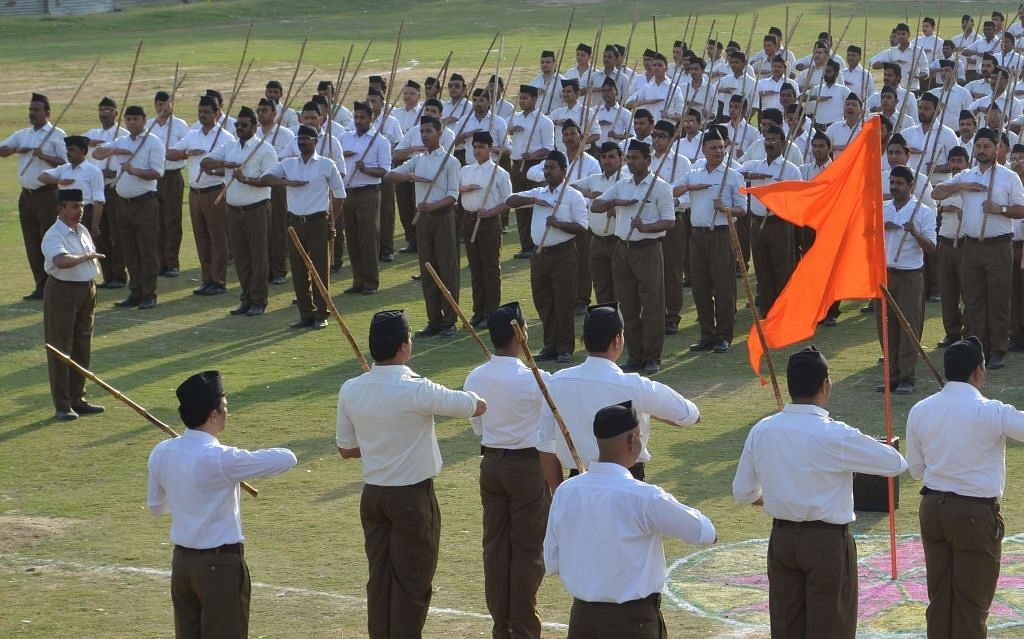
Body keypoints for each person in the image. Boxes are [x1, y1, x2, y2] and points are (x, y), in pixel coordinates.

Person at [733, 346, 909, 639]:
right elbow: (895, 463)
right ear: (825, 385)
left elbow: (743, 492)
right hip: (826, 543)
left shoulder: (763, 429)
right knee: (831, 629)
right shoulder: (835, 433)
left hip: (783, 540)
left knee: (787, 629)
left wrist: (781, 497)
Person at [336, 309, 486, 639]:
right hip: (411, 499)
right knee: (412, 584)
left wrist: (380, 443)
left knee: (380, 579)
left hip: (373, 497)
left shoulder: (351, 389)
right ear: (404, 346)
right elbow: (474, 405)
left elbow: (346, 449)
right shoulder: (417, 388)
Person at [544, 400, 716, 639]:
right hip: (633, 623)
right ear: (633, 441)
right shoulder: (644, 496)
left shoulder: (566, 491)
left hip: (582, 619)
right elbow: (705, 532)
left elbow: (552, 561)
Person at [148, 371, 297, 639]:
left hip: (182, 566)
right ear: (213, 415)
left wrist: (187, 494)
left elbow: (157, 507)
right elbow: (288, 458)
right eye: (225, 408)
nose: (227, 413)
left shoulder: (162, 451)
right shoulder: (221, 458)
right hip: (219, 568)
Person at [907, 336, 1024, 638]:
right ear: (978, 371)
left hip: (932, 510)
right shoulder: (992, 411)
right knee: (971, 607)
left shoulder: (920, 409)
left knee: (941, 603)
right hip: (974, 515)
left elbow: (916, 471)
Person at [537, 303, 700, 487]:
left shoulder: (556, 383)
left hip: (578, 483)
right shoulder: (633, 386)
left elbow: (545, 447)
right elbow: (690, 415)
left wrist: (561, 494)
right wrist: (649, 411)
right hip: (626, 482)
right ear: (617, 340)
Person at [463, 302, 550, 639]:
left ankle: (503, 626)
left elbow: (476, 428)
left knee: (495, 548)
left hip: (492, 465)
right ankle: (524, 628)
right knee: (527, 551)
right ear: (520, 334)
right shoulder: (534, 379)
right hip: (527, 467)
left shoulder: (476, 375)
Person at [932, 127, 1024, 369]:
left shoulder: (1008, 177)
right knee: (973, 298)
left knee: (999, 298)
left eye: (987, 146)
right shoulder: (966, 175)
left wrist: (1000, 210)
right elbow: (936, 193)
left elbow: (1022, 209)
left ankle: (998, 348)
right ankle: (979, 345)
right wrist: (961, 187)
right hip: (971, 245)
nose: (982, 150)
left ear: (997, 148)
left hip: (999, 245)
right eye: (979, 146)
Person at [592, 139, 674, 373]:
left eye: (636, 158)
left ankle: (652, 357)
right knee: (627, 305)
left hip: (648, 249)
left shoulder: (660, 187)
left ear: (648, 160)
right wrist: (616, 202)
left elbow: (670, 221)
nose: (631, 162)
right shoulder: (622, 185)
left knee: (652, 305)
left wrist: (645, 227)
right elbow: (595, 206)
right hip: (623, 248)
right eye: (628, 158)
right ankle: (634, 355)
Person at [258, 124, 346, 329]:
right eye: (300, 138)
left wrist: (331, 221)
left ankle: (321, 313)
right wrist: (287, 183)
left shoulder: (326, 164)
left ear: (315, 141)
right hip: (295, 222)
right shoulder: (288, 164)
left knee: (319, 269)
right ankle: (305, 313)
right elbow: (265, 178)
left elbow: (340, 195)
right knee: (298, 270)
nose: (302, 141)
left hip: (318, 221)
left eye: (306, 138)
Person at [503, 150, 588, 362]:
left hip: (563, 253)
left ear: (564, 171)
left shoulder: (572, 196)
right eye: (546, 167)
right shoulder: (539, 193)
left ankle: (565, 347)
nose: (548, 171)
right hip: (540, 254)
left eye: (552, 167)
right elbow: (510, 200)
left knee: (563, 301)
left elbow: (582, 227)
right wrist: (532, 199)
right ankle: (550, 344)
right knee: (543, 300)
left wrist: (558, 223)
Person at [384, 116, 462, 337]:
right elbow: (390, 175)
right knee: (427, 269)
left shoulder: (450, 161)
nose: (425, 135)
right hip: (424, 220)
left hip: (443, 217)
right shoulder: (417, 159)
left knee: (447, 270)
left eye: (429, 131)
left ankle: (449, 320)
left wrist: (432, 205)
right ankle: (433, 319)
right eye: (422, 132)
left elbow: (453, 196)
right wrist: (409, 175)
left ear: (440, 133)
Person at [201, 106, 278, 317]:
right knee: (242, 258)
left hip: (257, 209)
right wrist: (224, 163)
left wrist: (248, 180)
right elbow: (204, 162)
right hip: (234, 210)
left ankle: (259, 300)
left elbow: (270, 179)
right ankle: (245, 298)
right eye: (237, 125)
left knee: (258, 257)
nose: (239, 128)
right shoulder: (229, 147)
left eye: (244, 125)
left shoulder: (265, 149)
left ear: (254, 126)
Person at [678, 127, 746, 353]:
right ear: (704, 150)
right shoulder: (694, 172)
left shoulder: (733, 175)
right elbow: (673, 190)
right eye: (713, 147)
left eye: (720, 147)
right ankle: (706, 334)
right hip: (697, 234)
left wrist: (726, 208)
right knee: (699, 286)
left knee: (723, 285)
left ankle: (723, 335)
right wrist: (690, 187)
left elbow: (743, 209)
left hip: (721, 234)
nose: (718, 151)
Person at [92, 105, 165, 310]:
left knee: (147, 250)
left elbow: (157, 173)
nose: (132, 122)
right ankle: (135, 292)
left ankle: (149, 294)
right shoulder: (121, 141)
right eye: (129, 119)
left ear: (144, 120)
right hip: (123, 203)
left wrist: (134, 170)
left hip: (145, 202)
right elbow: (97, 154)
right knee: (129, 249)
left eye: (135, 119)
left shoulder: (154, 143)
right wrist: (114, 150)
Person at [41, 189, 105, 421]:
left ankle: (78, 397)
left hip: (86, 289)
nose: (80, 211)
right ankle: (62, 404)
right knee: (60, 346)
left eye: (82, 206)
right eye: (75, 206)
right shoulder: (54, 235)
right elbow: (61, 261)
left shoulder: (82, 230)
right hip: (63, 291)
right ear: (61, 209)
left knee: (82, 344)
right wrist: (87, 257)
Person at [0, 92, 68, 300]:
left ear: (47, 113)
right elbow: (1, 150)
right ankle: (40, 285)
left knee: (49, 240)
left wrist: (44, 156)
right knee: (32, 242)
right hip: (26, 196)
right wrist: (16, 149)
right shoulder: (23, 134)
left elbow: (66, 164)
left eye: (36, 110)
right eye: (30, 110)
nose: (32, 114)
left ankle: (55, 286)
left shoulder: (57, 134)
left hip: (47, 194)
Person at [168, 95, 235, 296]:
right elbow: (170, 153)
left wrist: (214, 170)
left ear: (217, 113)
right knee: (201, 237)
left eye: (206, 112)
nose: (202, 115)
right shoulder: (193, 135)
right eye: (200, 112)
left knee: (218, 237)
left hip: (215, 190)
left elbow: (230, 169)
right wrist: (186, 154)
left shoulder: (226, 138)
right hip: (195, 192)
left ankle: (219, 280)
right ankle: (207, 278)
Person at [461, 131, 513, 328]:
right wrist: (464, 190)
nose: (477, 151)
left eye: (481, 147)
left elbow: (508, 201)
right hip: (469, 221)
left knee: (490, 268)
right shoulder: (466, 170)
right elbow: (458, 188)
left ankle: (492, 311)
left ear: (491, 149)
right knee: (475, 268)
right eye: (475, 146)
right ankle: (478, 310)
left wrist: (491, 212)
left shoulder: (500, 173)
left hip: (489, 223)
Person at [340, 101, 392, 295]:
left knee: (368, 238)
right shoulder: (345, 137)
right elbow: (335, 159)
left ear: (371, 118)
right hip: (348, 192)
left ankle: (371, 282)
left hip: (368, 193)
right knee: (352, 239)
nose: (358, 121)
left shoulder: (380, 141)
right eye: (356, 117)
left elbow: (384, 170)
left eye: (362, 117)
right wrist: (343, 155)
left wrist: (366, 169)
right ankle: (358, 280)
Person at [83, 96, 128, 289]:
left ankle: (119, 275)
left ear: (116, 113)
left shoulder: (124, 134)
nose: (104, 113)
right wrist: (87, 142)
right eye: (101, 110)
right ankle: (108, 275)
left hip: (114, 189)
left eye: (108, 110)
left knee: (117, 234)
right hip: (96, 192)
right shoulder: (93, 133)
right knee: (99, 234)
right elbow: (69, 142)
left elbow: (131, 162)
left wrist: (114, 172)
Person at [149, 90, 189, 280]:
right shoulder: (149, 125)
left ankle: (172, 262)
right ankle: (159, 262)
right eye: (159, 104)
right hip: (153, 177)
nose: (162, 108)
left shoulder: (180, 126)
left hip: (172, 176)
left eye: (166, 104)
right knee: (156, 221)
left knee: (172, 220)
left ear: (172, 104)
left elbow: (185, 151)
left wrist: (171, 154)